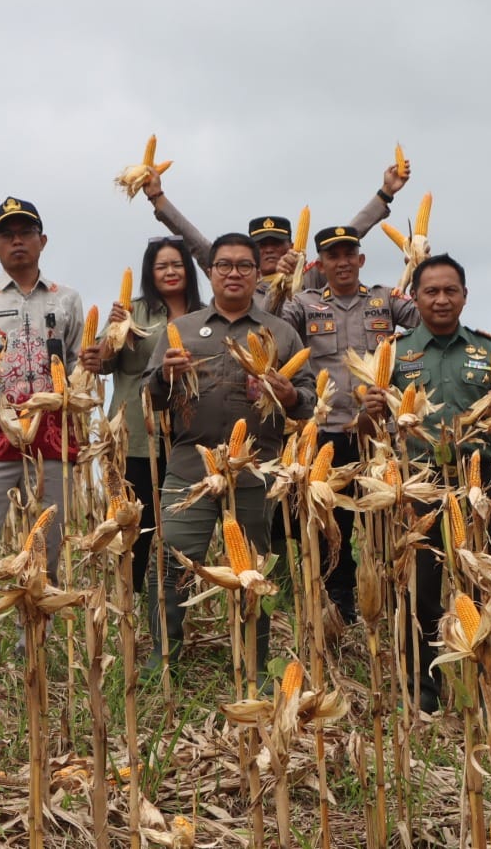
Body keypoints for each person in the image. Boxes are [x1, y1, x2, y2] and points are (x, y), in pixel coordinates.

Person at [144, 233, 317, 679]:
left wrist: (289, 394)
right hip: (190, 465)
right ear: (210, 272)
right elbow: (151, 396)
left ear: (259, 274)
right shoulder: (182, 330)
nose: (234, 273)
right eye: (224, 265)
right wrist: (164, 377)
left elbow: (309, 400)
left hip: (257, 468)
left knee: (253, 569)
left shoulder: (281, 332)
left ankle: (253, 663)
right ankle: (163, 656)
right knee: (172, 560)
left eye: (244, 266)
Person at [361, 254, 491, 713]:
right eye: (431, 291)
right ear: (416, 298)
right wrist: (370, 411)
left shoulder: (489, 352)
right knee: (420, 590)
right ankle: (423, 692)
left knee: (484, 587)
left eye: (451, 291)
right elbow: (369, 429)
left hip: (479, 486)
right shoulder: (394, 353)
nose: (442, 299)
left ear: (465, 296)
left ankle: (487, 689)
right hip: (418, 485)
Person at [274, 224, 420, 621]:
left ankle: (392, 603)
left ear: (361, 259)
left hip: (379, 435)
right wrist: (281, 285)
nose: (342, 263)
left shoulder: (385, 299)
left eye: (349, 255)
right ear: (320, 265)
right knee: (332, 526)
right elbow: (271, 329)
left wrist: (417, 266)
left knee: (384, 520)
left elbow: (425, 320)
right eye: (333, 256)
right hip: (327, 433)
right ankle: (339, 605)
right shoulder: (304, 304)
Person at [0, 197, 97, 584]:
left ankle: (38, 623)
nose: (17, 241)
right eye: (6, 235)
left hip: (52, 443)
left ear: (42, 241)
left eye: (26, 233)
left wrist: (93, 364)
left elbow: (79, 366)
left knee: (47, 549)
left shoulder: (67, 298)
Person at [99, 235, 203, 602]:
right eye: (162, 266)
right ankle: (128, 600)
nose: (170, 271)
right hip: (136, 434)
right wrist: (113, 330)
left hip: (188, 435)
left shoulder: (204, 314)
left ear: (188, 269)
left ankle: (172, 601)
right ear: (150, 272)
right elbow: (101, 364)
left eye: (177, 264)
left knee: (180, 525)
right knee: (135, 522)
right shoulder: (133, 312)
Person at [137, 157, 412, 290]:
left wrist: (385, 194)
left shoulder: (309, 276)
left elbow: (346, 237)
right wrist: (158, 198)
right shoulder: (235, 274)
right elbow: (195, 242)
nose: (269, 249)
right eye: (261, 244)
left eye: (276, 243)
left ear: (291, 246)